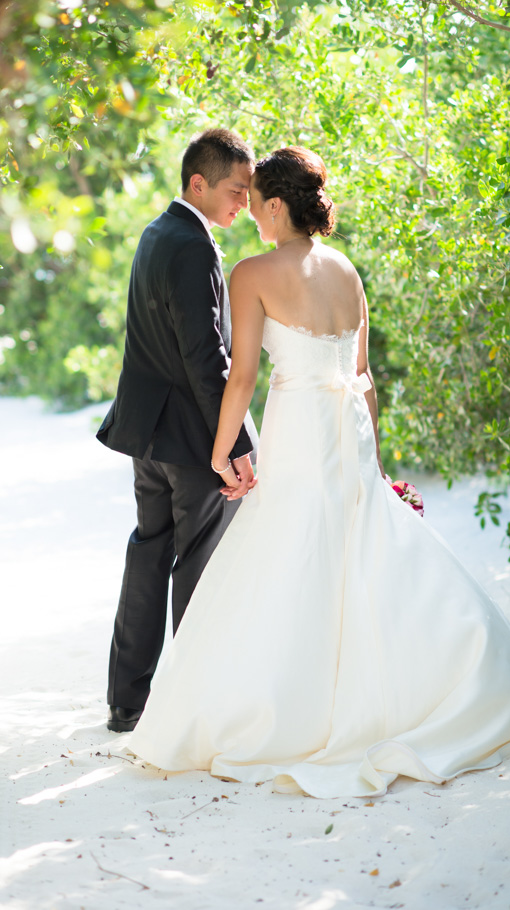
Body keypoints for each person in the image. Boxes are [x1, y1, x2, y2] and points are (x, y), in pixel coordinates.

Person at [127, 147, 510, 798]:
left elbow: (244, 377)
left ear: (277, 205)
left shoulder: (253, 274)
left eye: (255, 200)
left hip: (301, 428)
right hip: (348, 433)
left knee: (291, 553)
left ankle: (297, 710)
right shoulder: (346, 271)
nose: (249, 210)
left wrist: (221, 451)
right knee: (360, 546)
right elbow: (363, 377)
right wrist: (372, 453)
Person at [97, 129, 259, 734]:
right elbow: (207, 356)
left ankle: (126, 702)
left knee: (147, 553)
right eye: (236, 191)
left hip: (145, 433)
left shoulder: (155, 232)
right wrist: (236, 446)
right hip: (191, 438)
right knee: (195, 562)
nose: (243, 203)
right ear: (200, 183)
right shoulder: (194, 246)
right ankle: (188, 705)